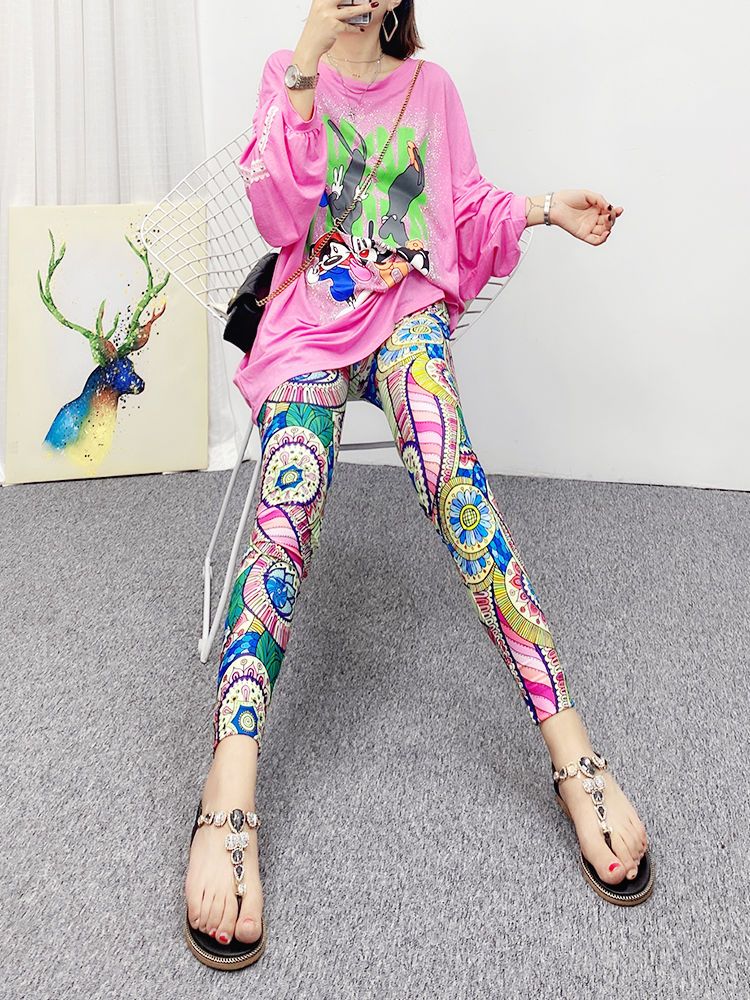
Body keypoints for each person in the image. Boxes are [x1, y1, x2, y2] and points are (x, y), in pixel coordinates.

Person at [184, 0, 651, 970]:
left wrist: (544, 208)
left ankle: (572, 750)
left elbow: (463, 209)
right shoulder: (289, 73)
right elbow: (279, 217)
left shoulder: (431, 90)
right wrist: (307, 60)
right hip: (308, 326)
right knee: (290, 499)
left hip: (406, 318)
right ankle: (229, 780)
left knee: (452, 477)